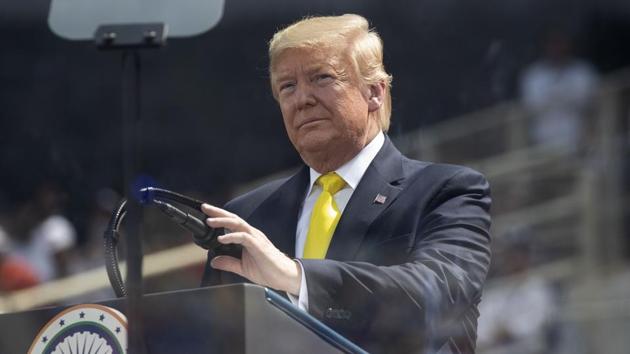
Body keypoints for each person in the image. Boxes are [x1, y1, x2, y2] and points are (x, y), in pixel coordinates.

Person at [201, 14, 491, 354]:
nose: (302, 99)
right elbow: (212, 340)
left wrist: (297, 278)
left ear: (374, 92)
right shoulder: (246, 216)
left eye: (321, 78)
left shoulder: (447, 191)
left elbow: (435, 296)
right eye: (287, 86)